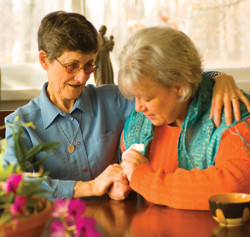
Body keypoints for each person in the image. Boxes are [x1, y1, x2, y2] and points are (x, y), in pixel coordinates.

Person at [2, 11, 248, 201]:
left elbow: (171, 84)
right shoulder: (21, 124)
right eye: (72, 66)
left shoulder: (114, 99)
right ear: (44, 60)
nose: (82, 77)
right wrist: (88, 187)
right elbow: (10, 185)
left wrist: (219, 79)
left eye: (89, 65)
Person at [117, 26, 250, 210]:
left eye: (147, 98)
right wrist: (118, 184)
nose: (138, 107)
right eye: (134, 97)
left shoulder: (231, 111)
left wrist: (143, 178)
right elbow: (124, 173)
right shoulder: (138, 124)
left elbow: (233, 188)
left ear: (178, 87)